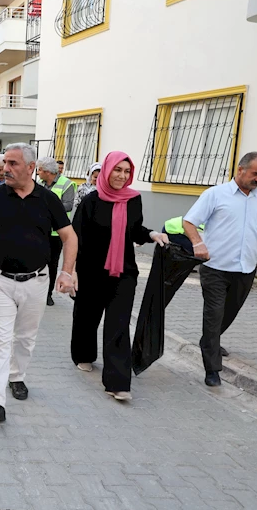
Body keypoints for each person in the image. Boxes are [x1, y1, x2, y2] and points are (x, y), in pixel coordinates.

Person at [0, 143, 76, 422]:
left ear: (30, 168)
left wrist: (66, 271)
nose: (6, 168)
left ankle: (17, 376)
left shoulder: (48, 199)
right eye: (5, 163)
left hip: (36, 281)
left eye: (13, 163)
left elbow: (69, 237)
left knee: (25, 338)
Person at [70, 151, 169, 401]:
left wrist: (152, 235)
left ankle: (117, 382)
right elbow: (76, 238)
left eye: (126, 172)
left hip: (124, 271)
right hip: (91, 271)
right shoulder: (90, 202)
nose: (122, 176)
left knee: (118, 324)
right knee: (87, 317)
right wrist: (70, 271)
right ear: (106, 170)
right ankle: (83, 354)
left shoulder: (133, 200)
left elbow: (134, 230)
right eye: (117, 170)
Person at [183, 151, 257, 387]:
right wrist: (198, 243)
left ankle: (210, 341)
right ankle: (212, 368)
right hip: (215, 268)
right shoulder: (215, 195)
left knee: (229, 313)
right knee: (214, 314)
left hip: (245, 270)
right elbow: (189, 221)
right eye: (255, 173)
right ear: (240, 170)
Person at [36, 156, 77, 307]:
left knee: (52, 264)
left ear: (47, 172)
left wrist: (48, 208)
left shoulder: (66, 184)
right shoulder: (39, 183)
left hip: (56, 233)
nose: (37, 172)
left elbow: (67, 205)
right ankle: (37, 292)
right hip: (40, 231)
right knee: (38, 263)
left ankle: (48, 294)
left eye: (39, 169)